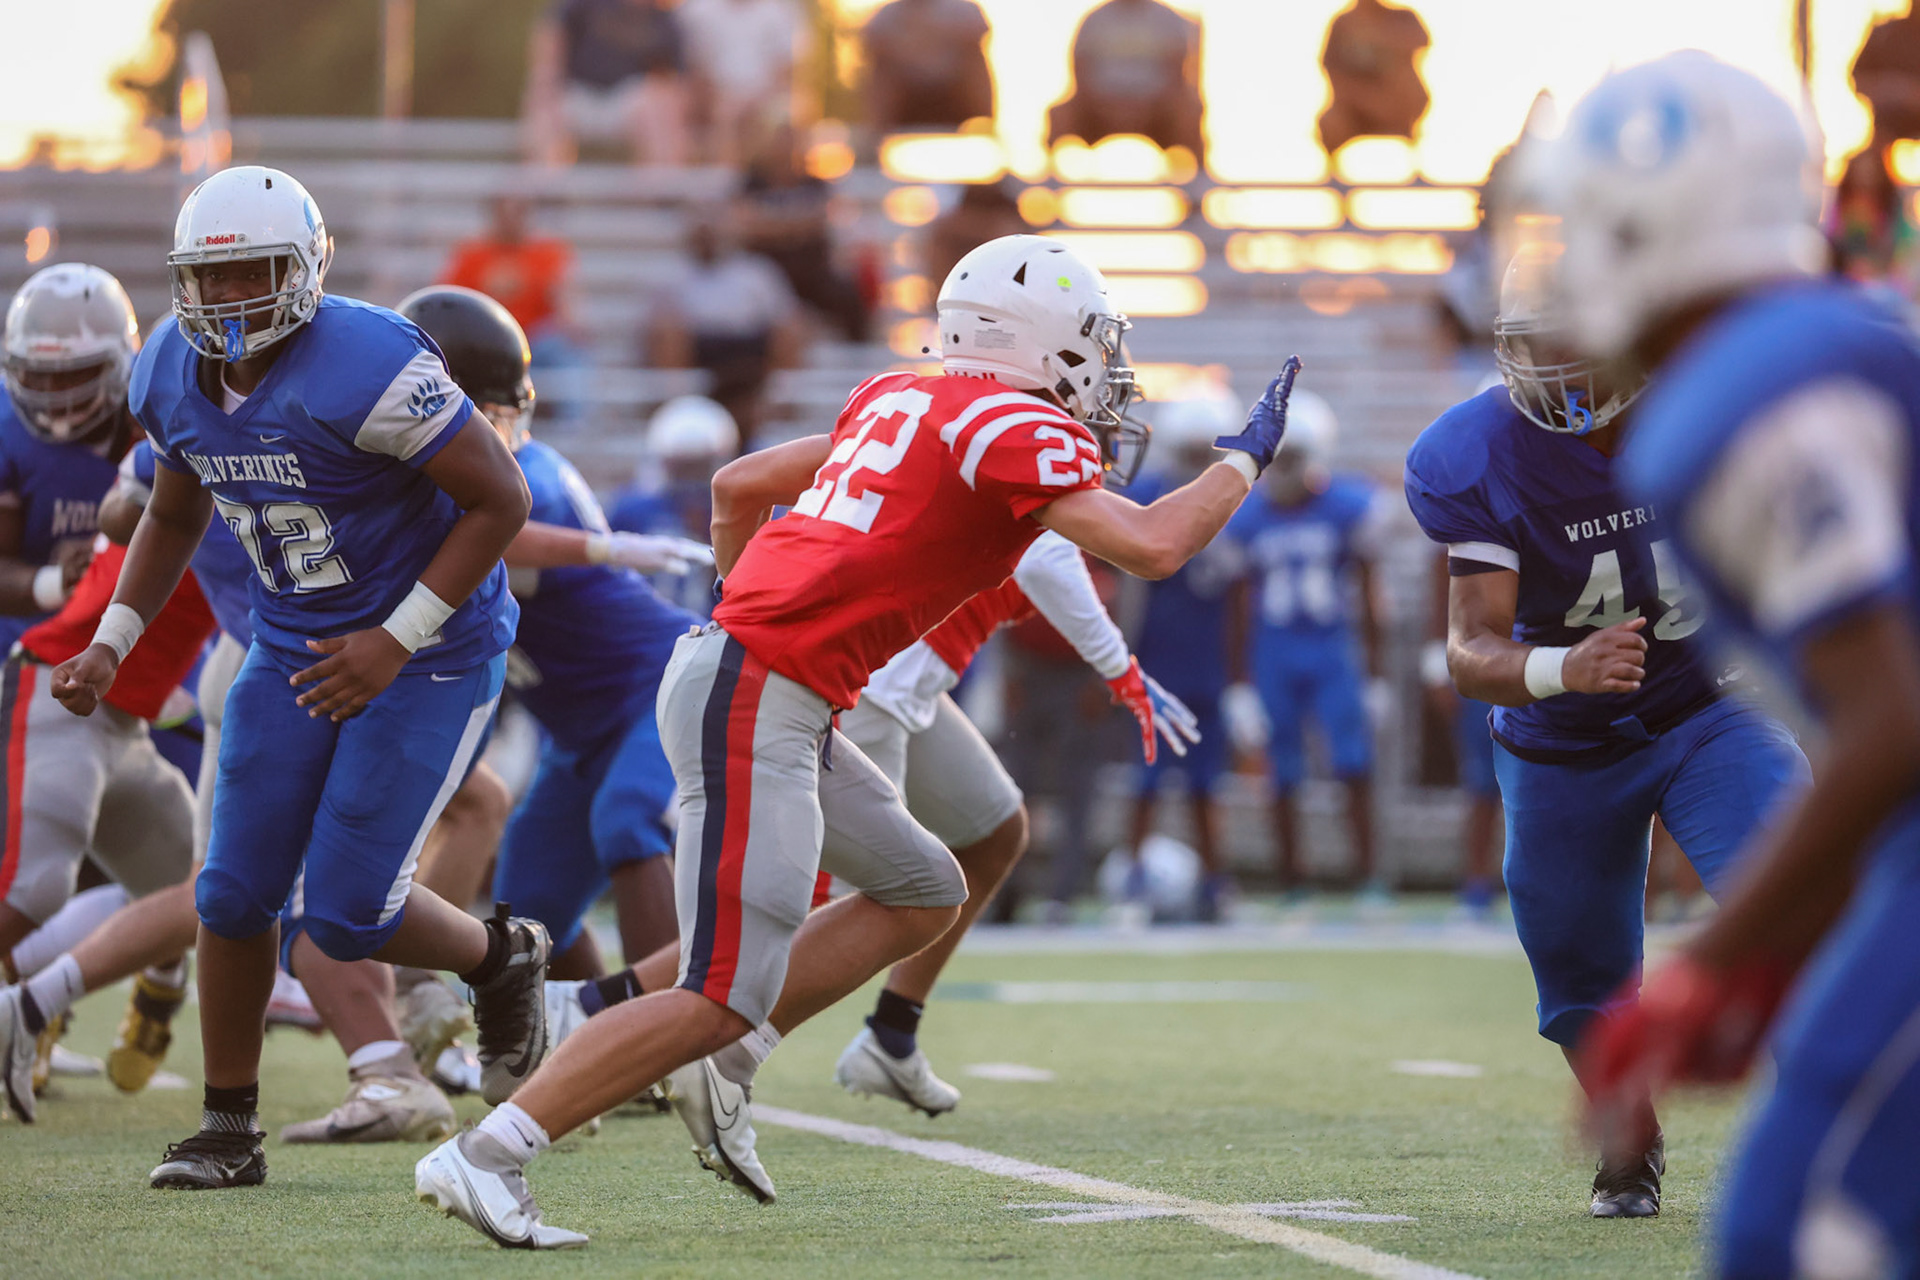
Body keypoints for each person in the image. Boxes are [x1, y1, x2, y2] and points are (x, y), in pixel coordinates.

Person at [414, 233, 1300, 1248]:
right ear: (1045, 343)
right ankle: (489, 1154)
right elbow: (1153, 543)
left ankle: (727, 1059)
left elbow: (741, 485)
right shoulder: (1013, 423)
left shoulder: (900, 394)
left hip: (762, 678)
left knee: (925, 884)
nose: (1106, 370)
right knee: (715, 991)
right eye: (1095, 344)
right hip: (759, 690)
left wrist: (754, 612)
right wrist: (1242, 459)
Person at [47, 165, 549, 1190]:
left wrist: (395, 640)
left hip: (431, 645)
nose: (230, 302)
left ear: (304, 270)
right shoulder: (169, 372)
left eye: (254, 276)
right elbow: (174, 512)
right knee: (233, 894)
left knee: (349, 914)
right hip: (290, 639)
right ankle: (229, 1127)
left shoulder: (367, 362)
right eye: (212, 280)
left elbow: (501, 499)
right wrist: (115, 635)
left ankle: (503, 956)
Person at [1555, 53, 1920, 1273]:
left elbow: (1896, 724)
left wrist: (1705, 965)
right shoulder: (1823, 337)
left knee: (1789, 1226)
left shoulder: (1747, 392)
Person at [1404, 241, 1812, 1220]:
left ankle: (1848, 1135)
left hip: (1708, 705)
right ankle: (1629, 1142)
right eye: (1536, 338)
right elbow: (1471, 649)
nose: (1557, 359)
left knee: (1804, 918)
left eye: (1576, 335)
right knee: (1582, 989)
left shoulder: (1705, 406)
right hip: (1560, 744)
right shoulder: (1477, 452)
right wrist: (1562, 669)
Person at [395, 284, 706, 981]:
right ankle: (576, 1039)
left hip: (657, 686)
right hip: (580, 730)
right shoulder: (438, 489)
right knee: (528, 905)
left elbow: (499, 535)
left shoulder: (526, 472)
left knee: (628, 820)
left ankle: (667, 1037)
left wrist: (602, 549)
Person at [1231, 391, 1387, 898]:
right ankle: (1291, 878)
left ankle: (1368, 875)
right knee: (1281, 770)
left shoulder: (1346, 505)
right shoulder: (1250, 517)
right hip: (1272, 651)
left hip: (1330, 649)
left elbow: (1371, 595)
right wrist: (1239, 682)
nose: (1288, 469)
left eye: (1296, 457)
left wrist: (1377, 674)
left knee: (1353, 763)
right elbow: (1236, 607)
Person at [1118, 388, 1247, 921]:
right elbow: (1125, 591)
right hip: (1154, 663)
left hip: (1206, 668)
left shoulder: (1236, 508)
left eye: (1205, 453)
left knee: (1204, 787)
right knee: (1144, 784)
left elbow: (1240, 598)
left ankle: (1215, 887)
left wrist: (1241, 679)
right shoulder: (1147, 494)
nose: (1198, 464)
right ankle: (1131, 888)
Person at [0, 263, 143, 654]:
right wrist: (55, 582)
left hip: (143, 638)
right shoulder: (6, 428)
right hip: (24, 642)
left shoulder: (151, 416)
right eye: (35, 374)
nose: (49, 393)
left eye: (70, 375)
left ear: (116, 367)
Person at [648, 213, 804, 441]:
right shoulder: (671, 276)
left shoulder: (756, 271)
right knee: (669, 332)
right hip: (700, 344)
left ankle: (781, 397)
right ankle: (679, 401)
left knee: (790, 329)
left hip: (748, 342)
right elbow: (656, 326)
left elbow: (785, 316)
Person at [609, 395, 739, 620]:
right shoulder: (633, 510)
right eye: (684, 467)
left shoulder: (736, 511)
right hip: (648, 623)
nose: (691, 479)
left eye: (699, 467)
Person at [740, 125, 873, 343]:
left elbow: (822, 217)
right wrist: (797, 225)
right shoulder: (752, 183)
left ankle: (860, 355)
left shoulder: (815, 183)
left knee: (851, 296)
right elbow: (746, 222)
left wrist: (774, 224)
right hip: (767, 269)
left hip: (813, 270)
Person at [522, 0, 688, 166]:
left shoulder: (666, 22)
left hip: (630, 103)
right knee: (546, 103)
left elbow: (675, 83)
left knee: (659, 103)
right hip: (577, 95)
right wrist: (545, 80)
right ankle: (540, 186)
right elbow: (553, 33)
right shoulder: (585, 4)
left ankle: (656, 189)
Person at [1047, 0, 1203, 158]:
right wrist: (1105, 105)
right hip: (1096, 107)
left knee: (1190, 114)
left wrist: (1146, 105)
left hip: (1158, 110)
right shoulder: (1095, 19)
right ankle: (1049, 180)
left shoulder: (1168, 19)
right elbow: (1080, 70)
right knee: (1058, 115)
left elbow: (1176, 74)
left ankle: (1199, 181)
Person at [675, 0, 805, 166]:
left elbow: (786, 69)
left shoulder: (780, 10)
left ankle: (756, 179)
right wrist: (716, 100)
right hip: (714, 98)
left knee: (779, 114)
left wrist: (754, 101)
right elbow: (694, 68)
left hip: (766, 97)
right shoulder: (695, 10)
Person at [860, 0, 994, 136]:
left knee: (974, 58)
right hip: (906, 93)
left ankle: (984, 125)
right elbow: (872, 45)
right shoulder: (888, 13)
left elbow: (975, 39)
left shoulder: (962, 8)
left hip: (954, 91)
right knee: (882, 67)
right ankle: (877, 134)